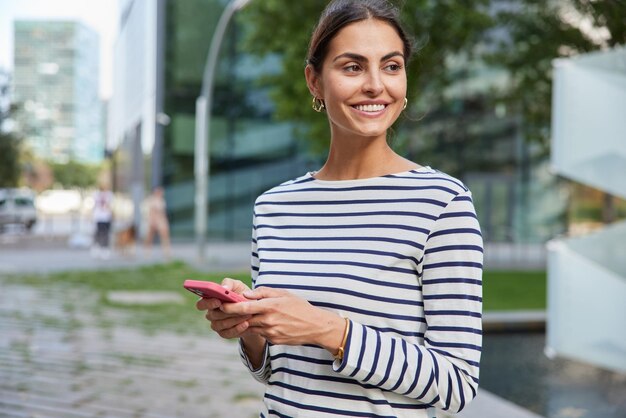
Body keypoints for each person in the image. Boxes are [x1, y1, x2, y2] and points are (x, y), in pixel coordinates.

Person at [195, 1, 483, 416]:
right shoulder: (274, 207)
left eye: (391, 66)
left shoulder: (442, 203)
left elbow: (456, 385)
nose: (374, 85)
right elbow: (277, 372)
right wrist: (249, 329)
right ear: (315, 81)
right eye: (352, 67)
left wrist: (328, 330)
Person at [144, 186, 171, 258]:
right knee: (150, 237)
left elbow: (163, 212)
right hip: (154, 220)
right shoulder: (152, 200)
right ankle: (147, 252)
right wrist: (153, 221)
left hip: (161, 220)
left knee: (165, 236)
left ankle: (166, 252)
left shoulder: (162, 200)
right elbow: (151, 212)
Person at [91, 184, 114, 259]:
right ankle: (97, 248)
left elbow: (110, 206)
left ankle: (105, 249)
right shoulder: (96, 194)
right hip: (99, 217)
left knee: (106, 233)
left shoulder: (109, 194)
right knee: (98, 233)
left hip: (106, 217)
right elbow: (94, 205)